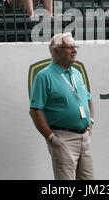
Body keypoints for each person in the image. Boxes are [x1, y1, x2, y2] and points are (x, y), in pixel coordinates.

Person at [29, 32, 94, 180]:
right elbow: (35, 110)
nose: (74, 50)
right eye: (69, 47)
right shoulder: (44, 76)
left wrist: (90, 123)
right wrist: (51, 137)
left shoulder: (76, 73)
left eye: (75, 47)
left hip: (84, 136)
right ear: (56, 51)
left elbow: (88, 99)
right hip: (63, 138)